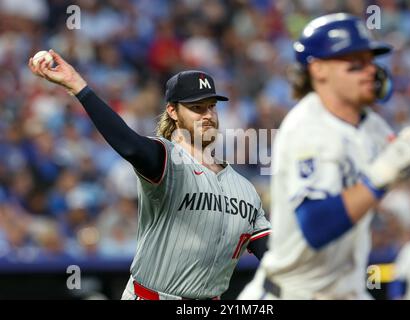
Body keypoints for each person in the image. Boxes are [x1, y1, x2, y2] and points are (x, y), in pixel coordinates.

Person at [28, 50, 271, 300]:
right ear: (173, 112)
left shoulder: (245, 189)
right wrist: (78, 86)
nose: (207, 115)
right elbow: (130, 145)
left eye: (211, 106)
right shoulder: (166, 160)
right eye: (196, 107)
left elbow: (273, 253)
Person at [238, 13, 410, 300]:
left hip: (348, 289)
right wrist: (382, 174)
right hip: (294, 293)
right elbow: (317, 226)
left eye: (370, 60)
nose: (370, 70)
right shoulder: (306, 127)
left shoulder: (370, 125)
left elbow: (394, 152)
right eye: (354, 63)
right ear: (319, 69)